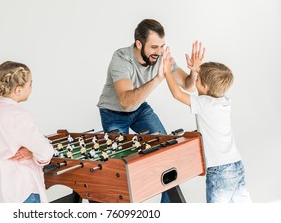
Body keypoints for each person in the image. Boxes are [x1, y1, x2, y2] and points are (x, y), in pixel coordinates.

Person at [97, 19, 204, 203]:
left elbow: (188, 86)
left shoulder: (161, 56)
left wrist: (194, 71)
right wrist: (157, 78)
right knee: (121, 168)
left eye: (162, 46)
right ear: (139, 44)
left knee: (166, 149)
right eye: (154, 47)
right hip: (113, 112)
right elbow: (125, 103)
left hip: (139, 109)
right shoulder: (122, 58)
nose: (159, 52)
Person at [163, 50, 252, 203]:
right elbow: (209, 86)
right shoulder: (224, 101)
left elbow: (178, 94)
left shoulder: (204, 104)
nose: (195, 80)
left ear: (204, 87)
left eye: (197, 79)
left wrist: (167, 73)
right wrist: (197, 70)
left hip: (219, 170)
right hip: (236, 164)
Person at [0, 61, 54, 203]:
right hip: (24, 191)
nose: (31, 88)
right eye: (30, 84)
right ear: (18, 90)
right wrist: (32, 152)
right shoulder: (19, 116)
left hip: (1, 192)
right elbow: (45, 152)